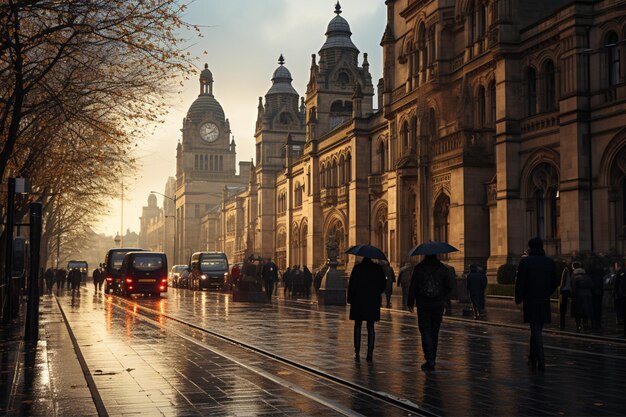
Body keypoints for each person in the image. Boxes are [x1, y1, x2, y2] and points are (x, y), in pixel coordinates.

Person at [514, 237, 558, 371]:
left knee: (535, 329)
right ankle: (532, 358)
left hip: (530, 299)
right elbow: (555, 282)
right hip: (544, 299)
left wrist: (518, 298)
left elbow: (520, 282)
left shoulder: (525, 262)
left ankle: (541, 359)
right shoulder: (549, 262)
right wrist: (546, 293)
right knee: (538, 328)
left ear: (531, 247)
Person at [408, 254, 454, 370]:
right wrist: (443, 296)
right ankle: (432, 357)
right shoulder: (443, 268)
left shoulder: (419, 268)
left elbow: (412, 286)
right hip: (438, 304)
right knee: (435, 331)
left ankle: (430, 359)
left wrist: (410, 302)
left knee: (425, 330)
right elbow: (450, 286)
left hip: (423, 303)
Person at [347, 257, 386, 363]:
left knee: (358, 326)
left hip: (358, 301)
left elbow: (351, 285)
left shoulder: (357, 268)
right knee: (371, 327)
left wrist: (350, 299)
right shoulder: (377, 269)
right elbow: (383, 285)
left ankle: (357, 351)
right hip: (372, 301)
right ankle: (370, 353)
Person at [571, 262, 594, 332]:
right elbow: (591, 284)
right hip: (587, 295)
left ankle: (578, 325)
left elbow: (572, 285)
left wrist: (573, 295)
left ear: (573, 267)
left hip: (578, 295)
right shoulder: (586, 275)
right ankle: (586, 325)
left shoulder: (574, 275)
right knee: (585, 311)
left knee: (577, 311)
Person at [558, 262, 573, 329]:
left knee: (562, 309)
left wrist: (561, 288)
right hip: (568, 290)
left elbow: (563, 281)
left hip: (564, 290)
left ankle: (562, 325)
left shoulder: (565, 270)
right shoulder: (571, 271)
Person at [614, 263, 626, 336]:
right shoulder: (621, 271)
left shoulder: (621, 271)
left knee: (623, 313)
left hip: (622, 295)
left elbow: (617, 283)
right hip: (622, 295)